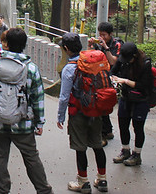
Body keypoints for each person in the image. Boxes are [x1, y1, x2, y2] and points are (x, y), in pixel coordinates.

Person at [0, 27, 53, 194]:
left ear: (6, 45)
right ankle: (44, 190)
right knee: (31, 157)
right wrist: (39, 122)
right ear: (24, 45)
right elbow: (37, 98)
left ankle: (0, 190)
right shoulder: (31, 69)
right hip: (23, 123)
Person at [57, 32, 108, 193]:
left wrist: (60, 116)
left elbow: (64, 96)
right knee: (97, 145)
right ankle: (102, 180)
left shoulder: (69, 69)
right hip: (96, 110)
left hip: (78, 112)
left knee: (80, 147)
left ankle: (83, 182)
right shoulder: (91, 63)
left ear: (66, 49)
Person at [110, 42, 154, 167]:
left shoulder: (145, 64)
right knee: (123, 124)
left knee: (138, 127)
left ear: (134, 56)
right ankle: (125, 150)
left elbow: (144, 86)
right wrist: (113, 78)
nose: (126, 61)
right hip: (126, 97)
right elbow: (113, 71)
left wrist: (126, 81)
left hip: (140, 100)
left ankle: (137, 154)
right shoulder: (123, 60)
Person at [92, 21, 123, 143]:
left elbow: (114, 62)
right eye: (100, 34)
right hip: (101, 77)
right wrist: (91, 46)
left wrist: (106, 48)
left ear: (110, 34)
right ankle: (107, 130)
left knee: (103, 103)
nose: (102, 37)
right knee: (101, 103)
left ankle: (104, 133)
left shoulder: (117, 44)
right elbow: (92, 57)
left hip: (114, 77)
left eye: (104, 34)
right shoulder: (98, 44)